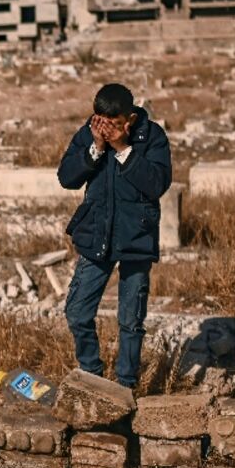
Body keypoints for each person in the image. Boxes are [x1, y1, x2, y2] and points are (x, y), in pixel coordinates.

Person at [57, 82, 172, 388]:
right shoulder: (90, 132)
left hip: (137, 238)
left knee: (130, 321)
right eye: (101, 122)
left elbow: (157, 184)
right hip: (97, 235)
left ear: (130, 120)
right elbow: (66, 178)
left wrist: (123, 149)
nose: (106, 130)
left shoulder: (152, 137)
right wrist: (94, 149)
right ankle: (92, 380)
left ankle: (125, 385)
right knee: (77, 312)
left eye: (114, 125)